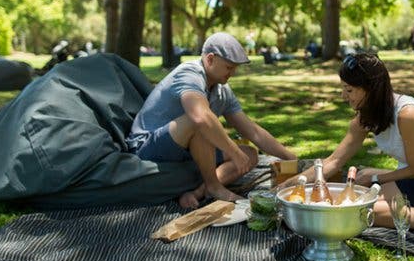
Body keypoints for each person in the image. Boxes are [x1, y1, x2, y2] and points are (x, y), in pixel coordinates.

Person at [279, 53, 414, 239]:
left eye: (349, 90)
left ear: (371, 89)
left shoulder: (408, 114)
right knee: (356, 195)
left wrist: (376, 178)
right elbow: (334, 161)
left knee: (359, 211)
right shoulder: (366, 117)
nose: (344, 96)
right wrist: (293, 182)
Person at [126, 32, 297, 208]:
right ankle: (215, 186)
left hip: (183, 148)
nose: (233, 72)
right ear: (210, 59)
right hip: (147, 148)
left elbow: (252, 131)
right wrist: (234, 153)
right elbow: (200, 117)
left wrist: (290, 158)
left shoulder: (222, 89)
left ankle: (200, 192)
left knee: (250, 154)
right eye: (229, 67)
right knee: (200, 121)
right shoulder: (189, 74)